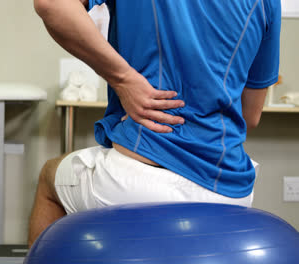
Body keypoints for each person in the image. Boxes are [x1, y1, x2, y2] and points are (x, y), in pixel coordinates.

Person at [29, 0, 281, 246]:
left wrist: (124, 79)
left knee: (49, 177)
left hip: (135, 182)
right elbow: (250, 116)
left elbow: (50, 4)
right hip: (230, 192)